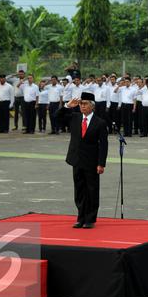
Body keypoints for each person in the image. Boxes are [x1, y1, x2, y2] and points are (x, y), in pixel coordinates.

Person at [56, 92, 108, 229]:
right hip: (76, 160)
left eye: (85, 104)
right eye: (81, 103)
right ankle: (80, 218)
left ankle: (90, 219)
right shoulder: (74, 117)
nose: (82, 106)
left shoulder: (100, 123)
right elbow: (56, 117)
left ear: (92, 106)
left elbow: (103, 145)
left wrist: (101, 163)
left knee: (92, 190)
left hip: (91, 162)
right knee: (79, 190)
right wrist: (67, 106)